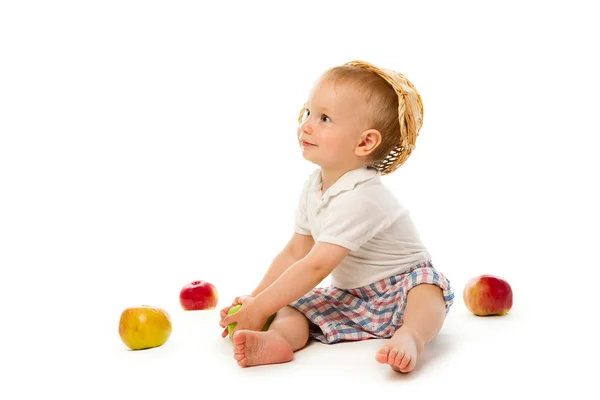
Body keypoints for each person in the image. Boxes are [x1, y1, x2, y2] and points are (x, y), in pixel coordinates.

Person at [219, 60, 454, 373]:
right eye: (308, 113)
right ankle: (280, 340)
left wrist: (261, 307)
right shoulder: (315, 186)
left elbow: (316, 265)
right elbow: (295, 252)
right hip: (352, 295)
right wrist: (256, 299)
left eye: (324, 118)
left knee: (428, 291)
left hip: (401, 288)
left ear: (365, 142)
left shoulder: (361, 196)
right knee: (293, 305)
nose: (306, 125)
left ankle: (411, 336)